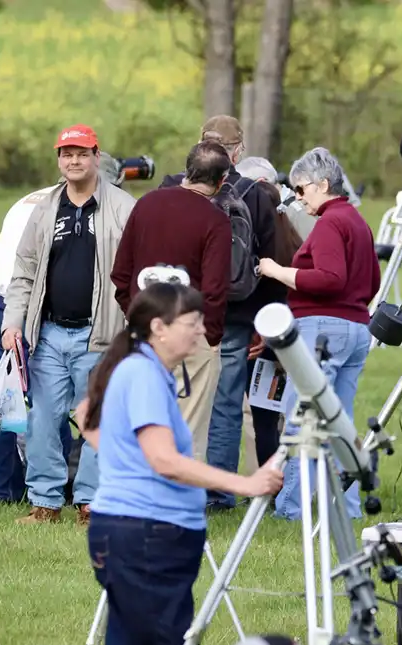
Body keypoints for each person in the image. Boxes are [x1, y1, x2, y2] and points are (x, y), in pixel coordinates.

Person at [76, 281, 284, 645]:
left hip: (138, 532)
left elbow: (86, 417)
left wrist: (125, 462)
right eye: (192, 322)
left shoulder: (144, 369)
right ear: (159, 327)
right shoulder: (142, 373)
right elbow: (164, 459)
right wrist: (246, 485)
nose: (201, 331)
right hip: (146, 535)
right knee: (165, 640)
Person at [2, 124, 135, 524]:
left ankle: (91, 502)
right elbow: (23, 270)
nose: (73, 161)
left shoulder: (123, 207)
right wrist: (14, 323)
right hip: (49, 334)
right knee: (42, 419)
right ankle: (45, 501)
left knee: (97, 419)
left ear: (97, 156)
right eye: (66, 154)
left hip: (101, 332)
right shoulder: (44, 208)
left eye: (81, 153)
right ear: (59, 160)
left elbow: (137, 270)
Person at [162, 116, 285, 511]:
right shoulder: (255, 193)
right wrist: (264, 321)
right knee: (227, 406)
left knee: (173, 400)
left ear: (199, 146)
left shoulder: (166, 189)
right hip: (233, 316)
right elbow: (271, 261)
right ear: (238, 152)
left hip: (173, 312)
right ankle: (217, 494)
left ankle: (174, 484)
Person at [258, 147, 380, 520]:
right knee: (339, 422)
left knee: (302, 419)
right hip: (357, 328)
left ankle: (291, 508)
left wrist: (277, 271)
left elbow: (330, 278)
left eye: (301, 189)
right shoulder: (356, 220)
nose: (297, 197)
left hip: (322, 330)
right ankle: (347, 507)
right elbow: (372, 280)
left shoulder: (329, 223)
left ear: (322, 185)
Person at [111, 140, 233, 462]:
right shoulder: (215, 220)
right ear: (222, 181)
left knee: (142, 423)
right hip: (192, 333)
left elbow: (121, 274)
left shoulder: (147, 203)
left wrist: (137, 317)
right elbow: (216, 288)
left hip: (145, 332)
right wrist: (211, 337)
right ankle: (178, 504)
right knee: (187, 430)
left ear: (187, 170)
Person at [234, 158, 303, 471]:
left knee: (260, 416)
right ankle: (282, 483)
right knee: (277, 414)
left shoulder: (251, 230)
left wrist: (257, 328)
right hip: (287, 331)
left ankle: (268, 483)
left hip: (258, 334)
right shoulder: (294, 227)